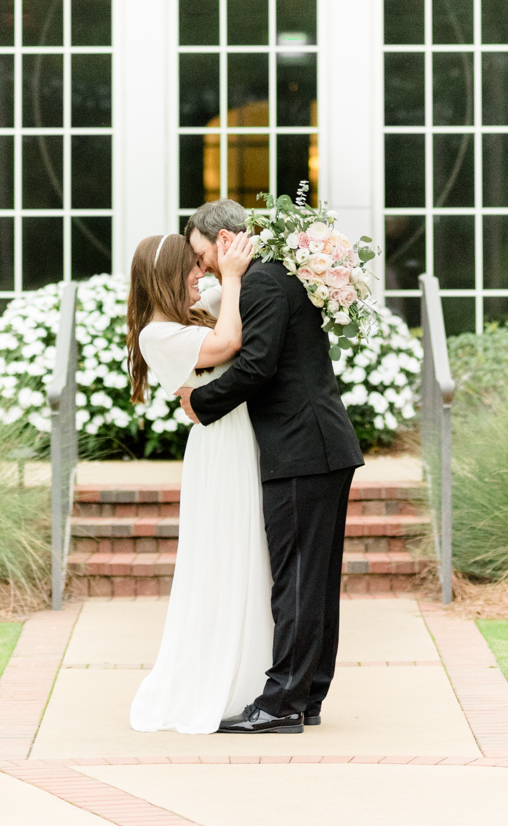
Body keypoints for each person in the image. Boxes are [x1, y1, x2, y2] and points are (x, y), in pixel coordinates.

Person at [180, 198, 363, 738]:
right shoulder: (279, 275)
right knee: (315, 581)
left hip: (303, 448)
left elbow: (256, 366)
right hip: (319, 447)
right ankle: (307, 695)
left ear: (225, 240)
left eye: (201, 254)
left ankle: (282, 701)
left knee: (298, 581)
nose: (203, 267)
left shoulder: (261, 283)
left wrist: (201, 401)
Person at [126, 226, 271, 734]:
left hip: (242, 442)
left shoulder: (196, 308)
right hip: (219, 454)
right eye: (191, 265)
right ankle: (219, 682)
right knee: (224, 557)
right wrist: (229, 278)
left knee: (251, 556)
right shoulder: (156, 333)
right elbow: (229, 340)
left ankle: (257, 677)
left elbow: (238, 287)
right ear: (167, 274)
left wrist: (232, 262)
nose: (200, 271)